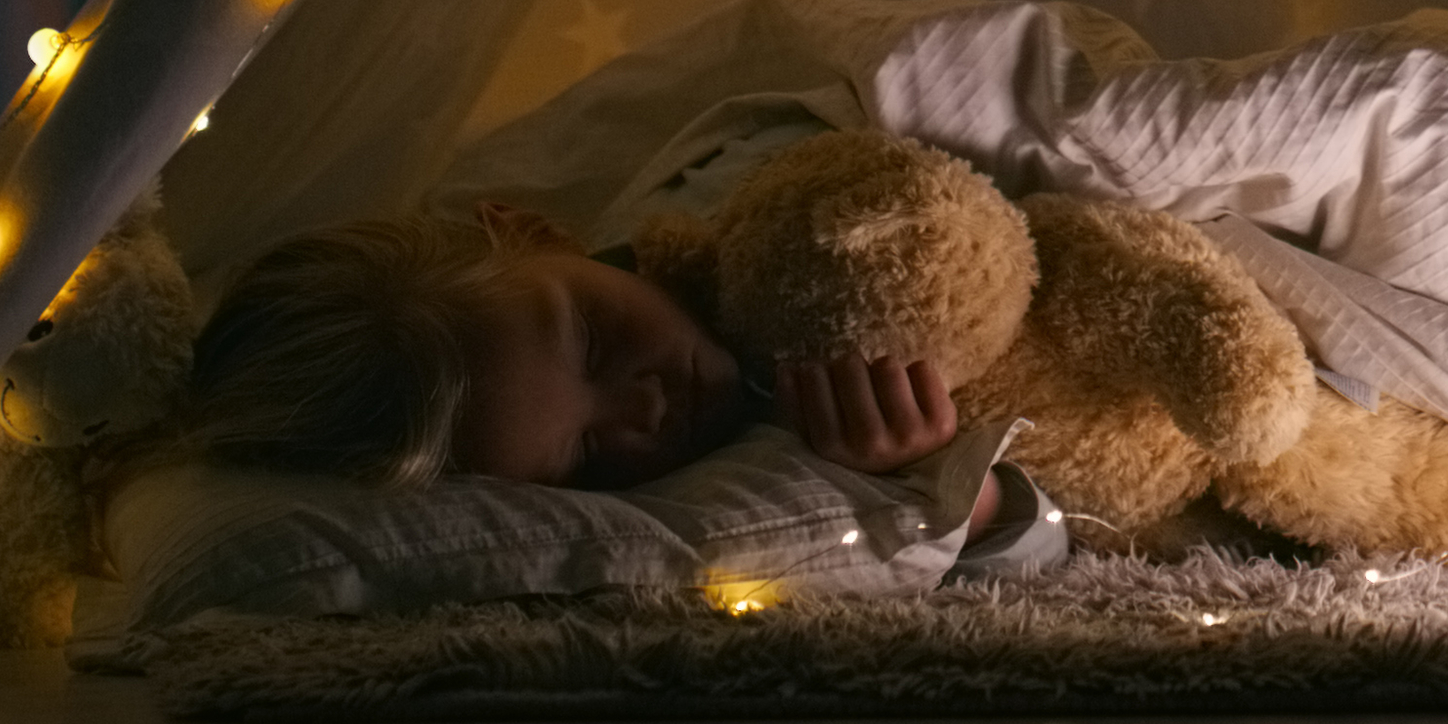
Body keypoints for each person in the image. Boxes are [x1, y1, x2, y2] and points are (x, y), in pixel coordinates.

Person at [160, 200, 1000, 525]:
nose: (645, 408)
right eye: (587, 455)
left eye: (594, 337)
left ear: (532, 227)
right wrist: (958, 486)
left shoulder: (743, 217)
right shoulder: (720, 494)